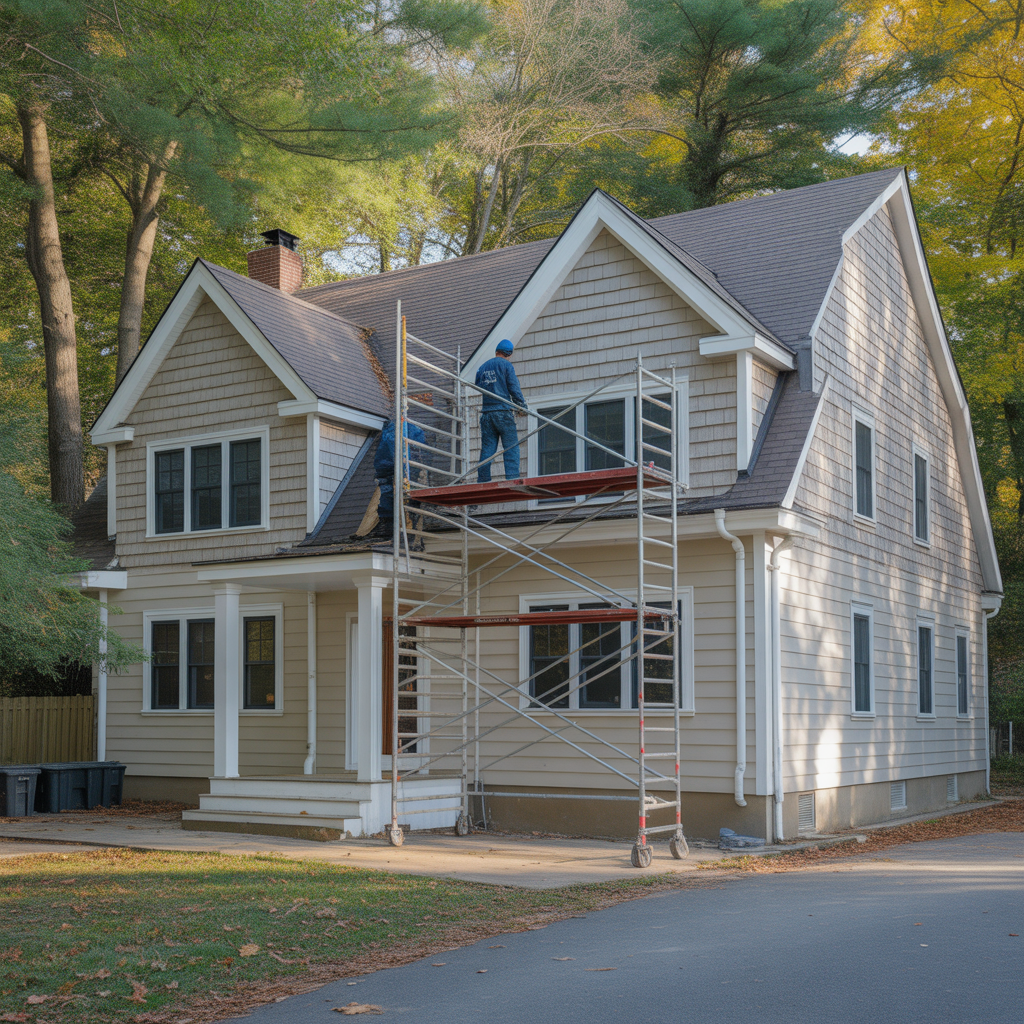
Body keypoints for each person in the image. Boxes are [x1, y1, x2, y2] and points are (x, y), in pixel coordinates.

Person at [475, 338, 526, 482]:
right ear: (508, 353)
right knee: (511, 447)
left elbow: (478, 386)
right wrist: (522, 406)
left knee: (488, 450)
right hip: (503, 412)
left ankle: (483, 480)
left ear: (496, 351)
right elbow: (513, 388)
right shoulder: (506, 366)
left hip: (487, 414)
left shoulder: (483, 367)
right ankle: (512, 478)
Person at [372, 417, 425, 538]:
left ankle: (391, 527)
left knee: (392, 498)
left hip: (394, 473)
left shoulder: (398, 430)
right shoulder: (399, 430)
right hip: (396, 473)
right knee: (397, 499)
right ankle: (396, 527)